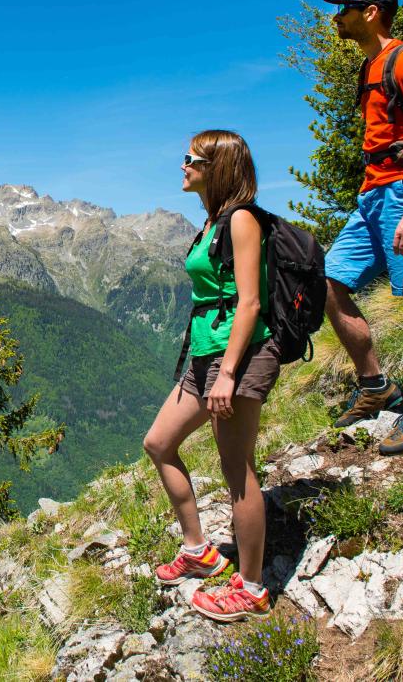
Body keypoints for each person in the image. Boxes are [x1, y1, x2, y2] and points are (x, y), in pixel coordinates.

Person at [143, 129, 277, 622]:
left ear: (215, 166)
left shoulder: (241, 220)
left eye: (190, 158)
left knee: (237, 471)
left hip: (234, 359)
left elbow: (250, 303)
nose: (182, 165)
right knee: (159, 442)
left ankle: (253, 587)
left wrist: (228, 376)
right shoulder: (212, 222)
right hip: (205, 356)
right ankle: (199, 551)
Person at [321, 0, 403, 455]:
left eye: (345, 9)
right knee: (329, 281)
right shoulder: (371, 65)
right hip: (373, 196)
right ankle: (376, 385)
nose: (337, 17)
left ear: (371, 11)